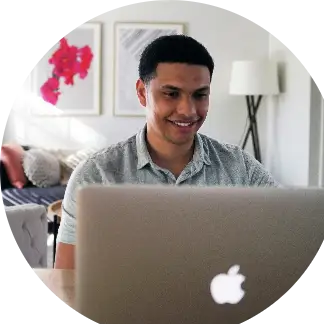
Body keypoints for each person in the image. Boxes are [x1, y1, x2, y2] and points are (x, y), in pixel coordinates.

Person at [55, 35, 280, 269]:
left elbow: (286, 238)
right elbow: (65, 280)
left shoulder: (240, 168)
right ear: (142, 92)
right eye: (171, 94)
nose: (188, 110)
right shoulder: (95, 175)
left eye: (200, 94)